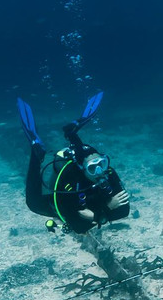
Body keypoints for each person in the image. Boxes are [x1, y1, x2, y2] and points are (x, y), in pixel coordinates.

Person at [17, 92, 130, 233]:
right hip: (50, 203)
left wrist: (95, 215)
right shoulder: (72, 182)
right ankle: (36, 150)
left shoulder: (109, 172)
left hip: (91, 207)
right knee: (33, 201)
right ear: (82, 168)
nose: (100, 171)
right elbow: (78, 226)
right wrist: (107, 208)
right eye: (92, 168)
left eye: (102, 163)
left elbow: (125, 211)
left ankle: (71, 134)